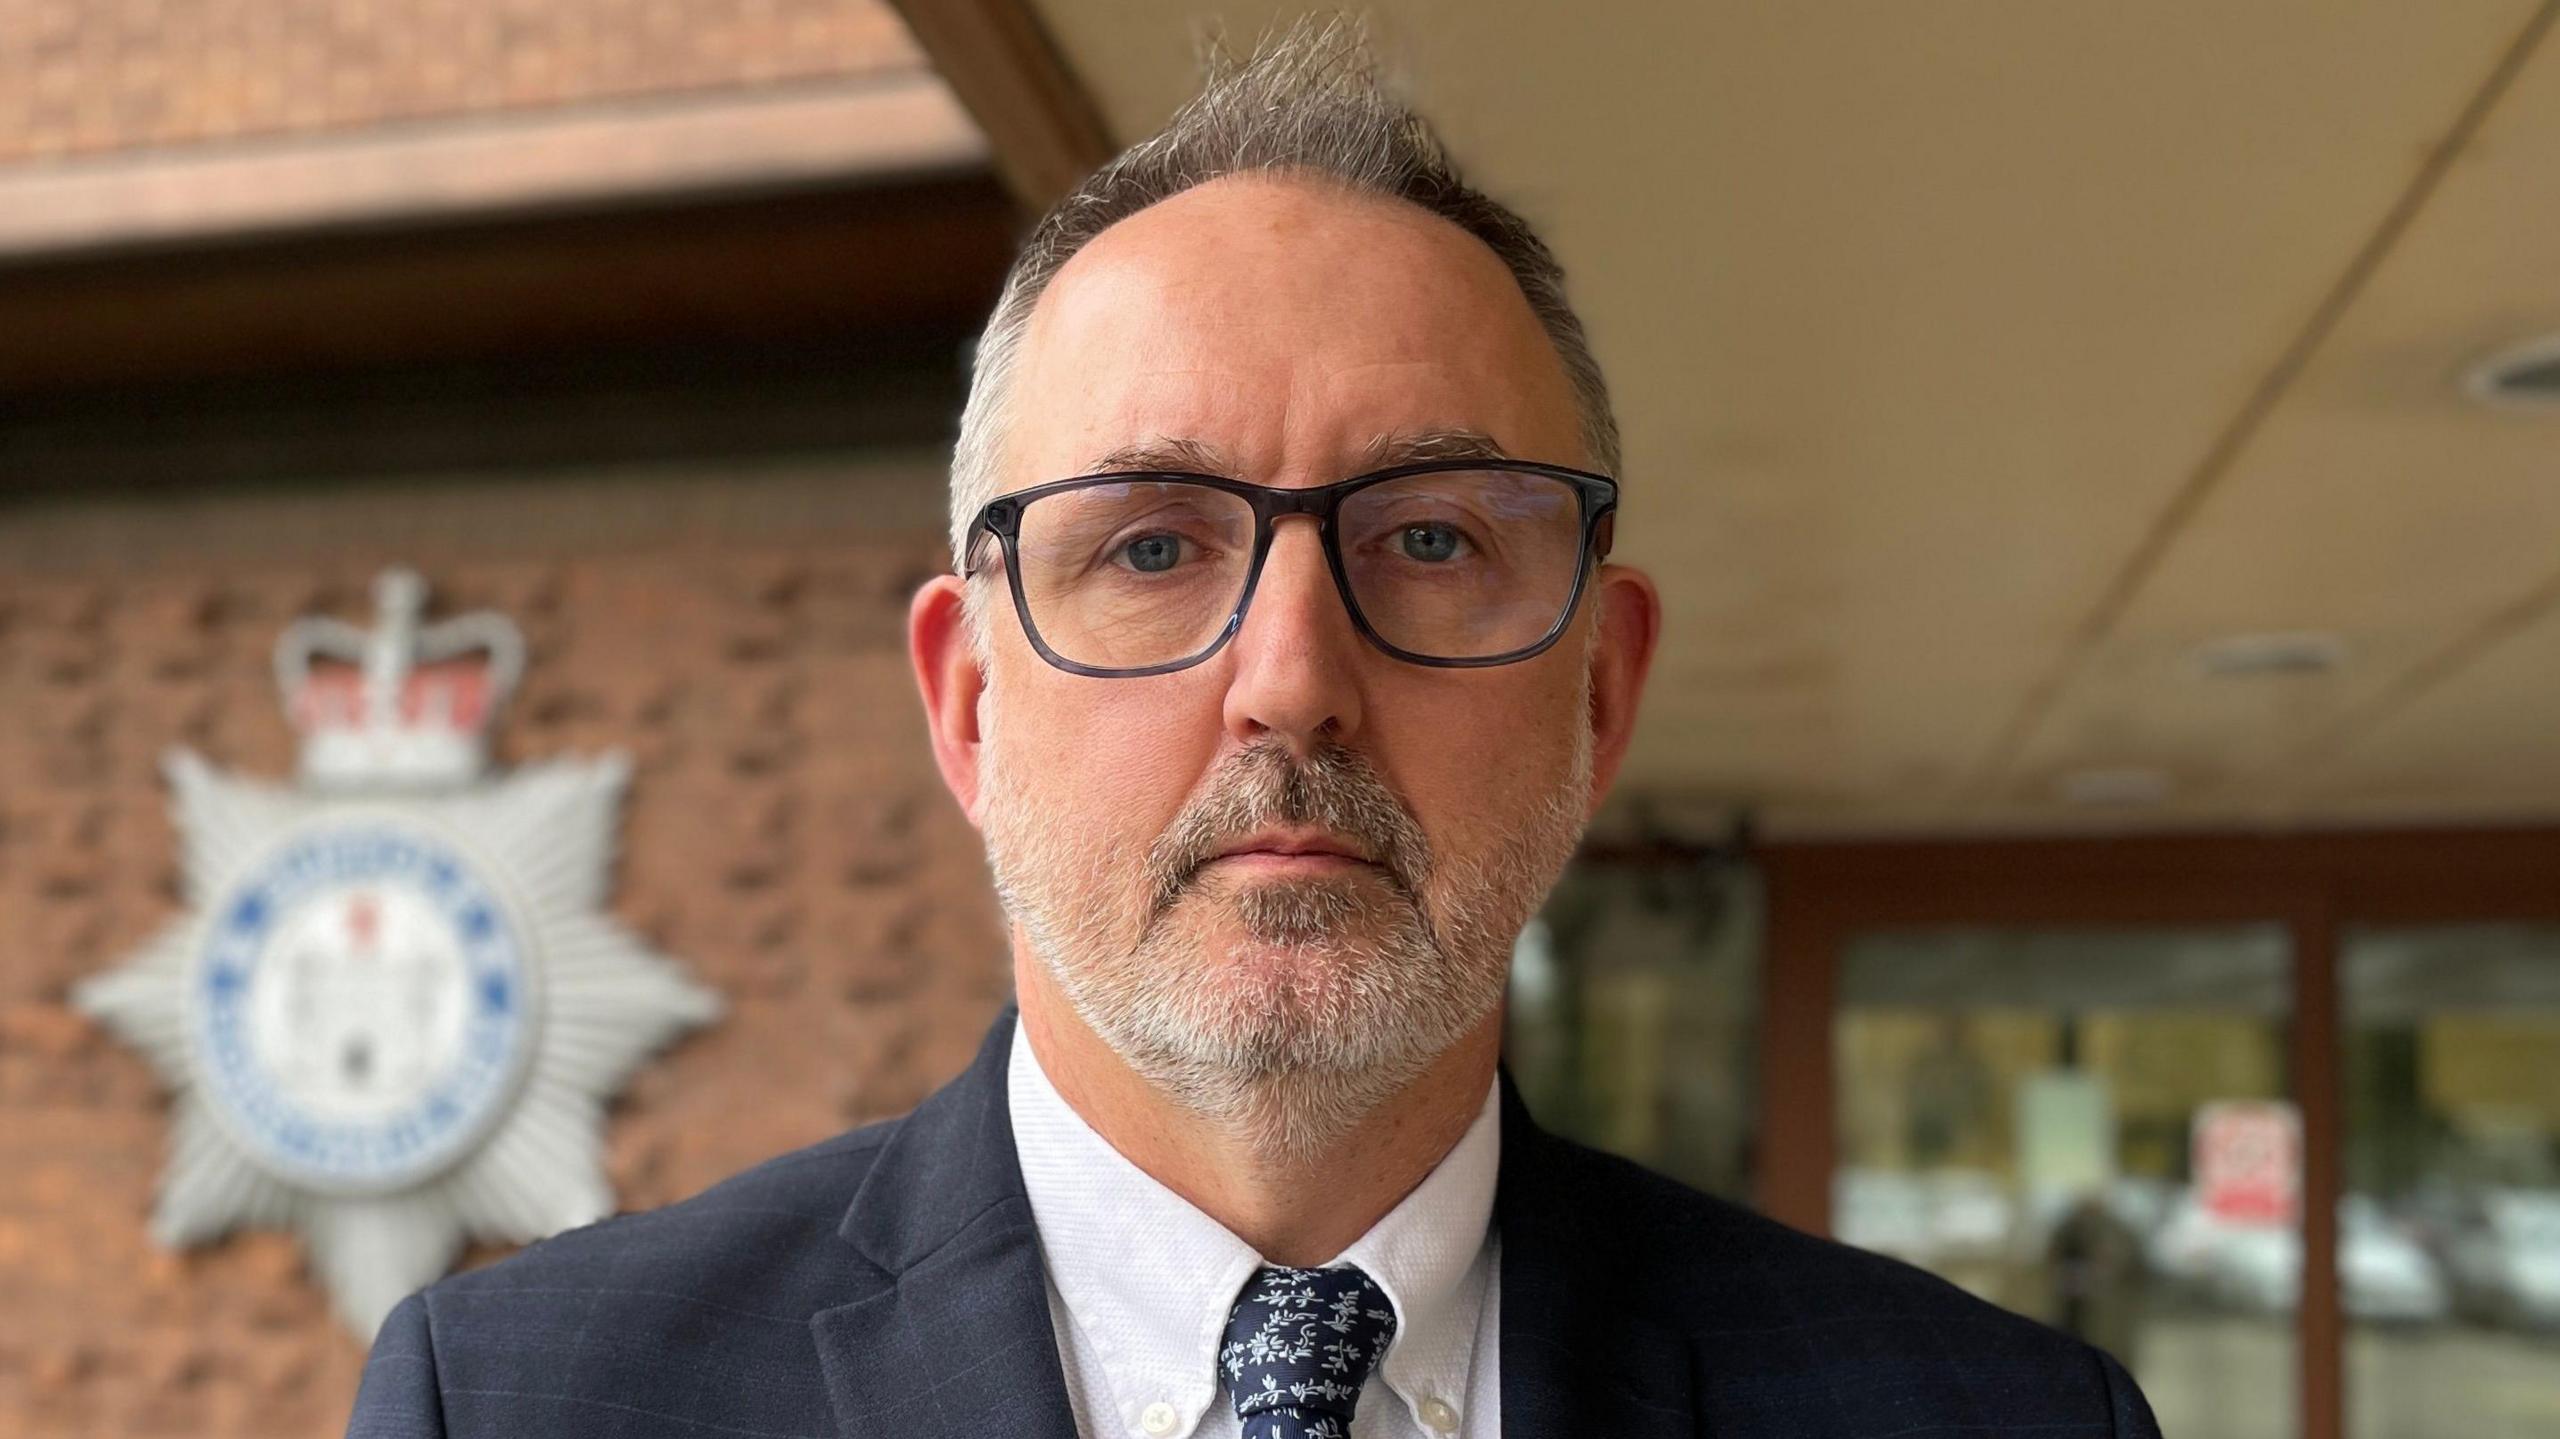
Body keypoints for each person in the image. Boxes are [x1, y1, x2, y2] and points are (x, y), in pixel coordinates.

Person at [347, 19, 2159, 1438]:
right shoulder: (517, 1405)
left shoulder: (1991, 1418)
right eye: (1151, 543)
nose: (1289, 675)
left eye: (1433, 539)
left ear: (1599, 692)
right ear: (971, 704)